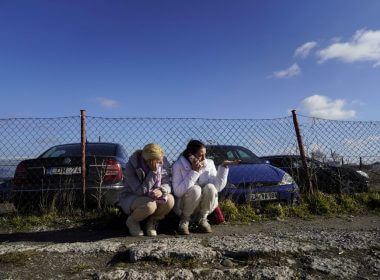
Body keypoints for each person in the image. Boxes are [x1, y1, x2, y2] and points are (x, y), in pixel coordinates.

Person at [172, 140, 239, 235]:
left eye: (205, 155)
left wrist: (223, 167)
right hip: (184, 206)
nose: (204, 158)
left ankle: (202, 219)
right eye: (200, 155)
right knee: (196, 189)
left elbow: (217, 188)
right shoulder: (178, 165)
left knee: (211, 187)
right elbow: (178, 192)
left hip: (203, 207)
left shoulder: (209, 163)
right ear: (191, 155)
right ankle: (184, 220)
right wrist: (194, 172)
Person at [120, 143, 174, 236]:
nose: (160, 163)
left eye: (161, 161)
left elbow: (167, 182)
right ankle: (132, 221)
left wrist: (161, 190)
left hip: (152, 195)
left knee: (170, 200)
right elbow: (140, 191)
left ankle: (151, 222)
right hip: (133, 196)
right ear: (149, 161)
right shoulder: (131, 166)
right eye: (158, 162)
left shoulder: (162, 161)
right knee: (150, 205)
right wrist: (153, 173)